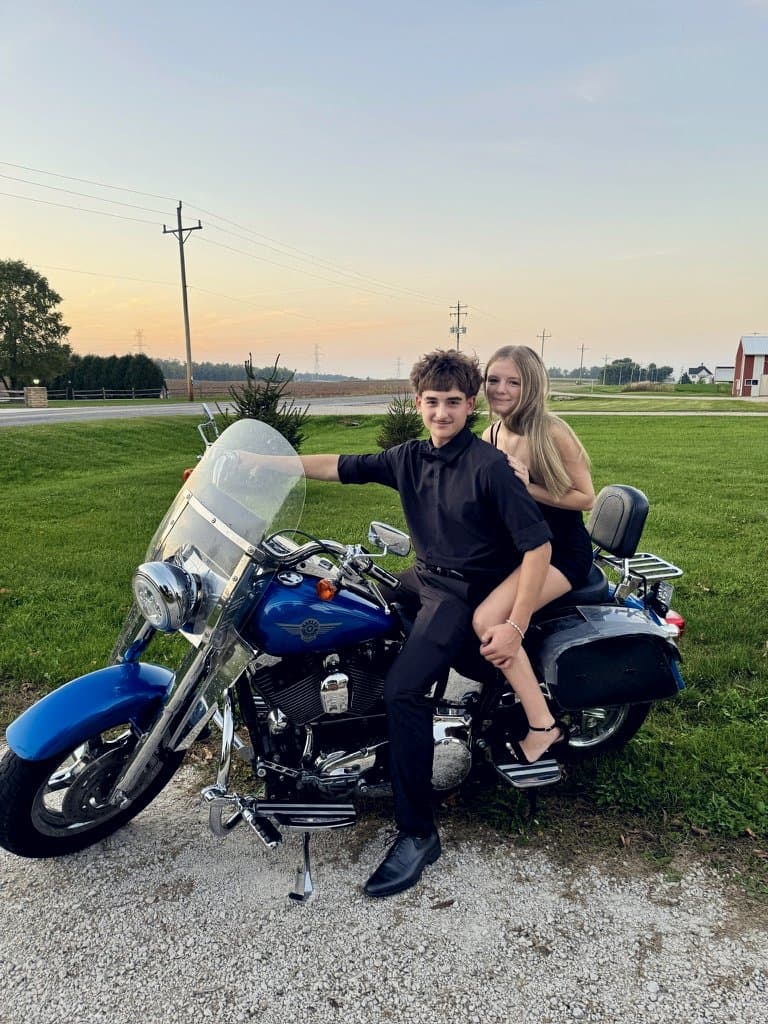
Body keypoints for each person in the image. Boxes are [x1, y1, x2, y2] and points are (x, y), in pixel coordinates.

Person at [296, 349, 552, 897]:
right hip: (424, 577)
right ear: (418, 403)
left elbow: (538, 548)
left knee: (404, 691)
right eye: (432, 402)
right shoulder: (410, 456)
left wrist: (515, 624)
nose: (441, 412)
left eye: (453, 402)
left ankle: (418, 833)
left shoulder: (489, 467)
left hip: (464, 592)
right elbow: (343, 466)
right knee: (355, 623)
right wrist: (264, 464)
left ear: (470, 405)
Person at [472, 345, 595, 766]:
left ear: (532, 386)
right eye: (493, 380)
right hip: (519, 547)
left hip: (560, 551)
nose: (501, 389)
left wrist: (529, 487)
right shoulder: (492, 433)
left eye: (514, 382)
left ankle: (544, 727)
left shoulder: (552, 432)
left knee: (489, 619)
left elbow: (586, 498)